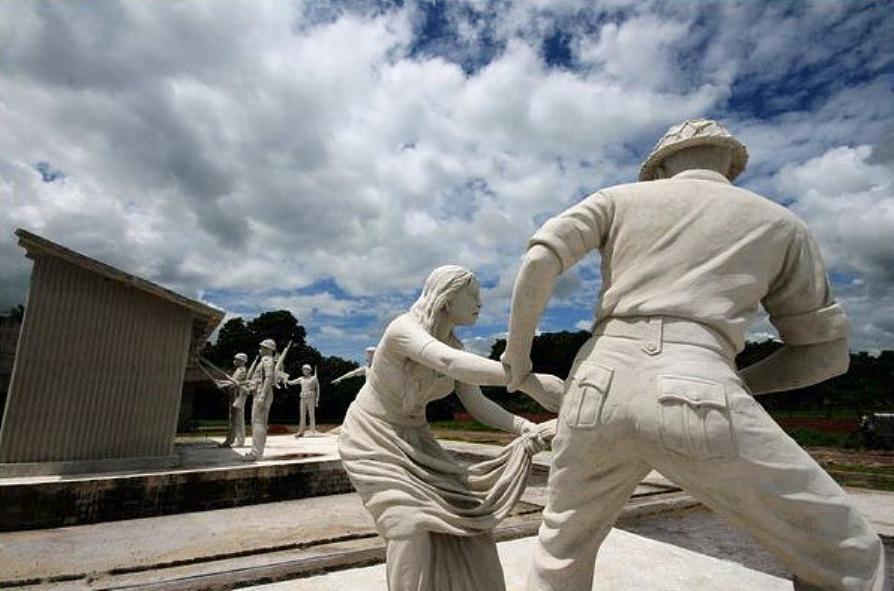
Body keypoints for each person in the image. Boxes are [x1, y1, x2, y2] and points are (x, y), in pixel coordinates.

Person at [501, 119, 887, 590]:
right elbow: (825, 355)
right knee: (848, 555)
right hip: (699, 379)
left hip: (595, 384)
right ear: (730, 162)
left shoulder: (617, 198)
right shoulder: (780, 223)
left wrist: (518, 356)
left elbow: (541, 258)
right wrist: (734, 384)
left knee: (561, 548)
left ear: (661, 166)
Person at [338, 265, 563, 591]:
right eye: (472, 294)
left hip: (418, 442)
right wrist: (527, 381)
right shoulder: (403, 329)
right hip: (371, 438)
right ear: (446, 297)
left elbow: (477, 402)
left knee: (470, 521)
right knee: (407, 524)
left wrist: (525, 427)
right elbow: (447, 363)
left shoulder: (456, 346)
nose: (480, 302)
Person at [244, 339, 276, 462]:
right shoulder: (264, 360)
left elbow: (268, 377)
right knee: (257, 422)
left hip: (262, 394)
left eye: (263, 347)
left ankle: (256, 453)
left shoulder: (268, 360)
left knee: (258, 423)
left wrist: (262, 395)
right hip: (259, 392)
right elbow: (259, 378)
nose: (260, 349)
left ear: (268, 349)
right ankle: (255, 451)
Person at [216, 352, 249, 448]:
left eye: (237, 359)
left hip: (238, 396)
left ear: (242, 361)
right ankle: (230, 439)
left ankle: (239, 440)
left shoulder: (242, 371)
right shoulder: (238, 370)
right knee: (233, 419)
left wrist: (222, 384)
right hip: (233, 395)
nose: (235, 361)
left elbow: (234, 383)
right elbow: (232, 381)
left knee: (238, 419)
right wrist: (221, 382)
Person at [288, 364, 321, 436]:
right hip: (303, 397)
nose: (304, 371)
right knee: (302, 415)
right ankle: (301, 431)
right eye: (303, 370)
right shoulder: (301, 379)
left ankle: (312, 431)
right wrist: (285, 380)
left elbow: (318, 389)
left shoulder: (314, 378)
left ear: (309, 370)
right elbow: (292, 382)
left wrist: (317, 399)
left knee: (311, 415)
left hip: (311, 397)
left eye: (305, 369)